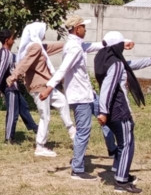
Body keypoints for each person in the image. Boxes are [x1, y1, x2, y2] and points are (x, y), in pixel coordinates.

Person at [96, 31, 151, 194]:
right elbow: (108, 88)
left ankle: (120, 171)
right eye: (121, 44)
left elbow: (130, 65)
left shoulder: (102, 59)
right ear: (117, 46)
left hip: (111, 110)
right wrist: (103, 111)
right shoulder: (117, 64)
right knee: (127, 144)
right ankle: (121, 182)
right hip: (118, 110)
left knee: (123, 142)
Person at [39, 15, 103, 180]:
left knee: (105, 118)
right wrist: (49, 88)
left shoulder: (77, 45)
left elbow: (95, 45)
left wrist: (119, 42)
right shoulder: (74, 48)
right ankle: (77, 169)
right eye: (83, 27)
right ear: (77, 29)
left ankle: (114, 151)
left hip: (87, 94)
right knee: (83, 132)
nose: (85, 30)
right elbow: (63, 69)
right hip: (80, 97)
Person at [6, 22, 75, 157]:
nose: (44, 34)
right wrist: (13, 76)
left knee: (62, 102)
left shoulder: (39, 47)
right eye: (43, 31)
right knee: (45, 116)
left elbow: (55, 47)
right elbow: (24, 63)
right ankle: (40, 146)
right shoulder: (35, 47)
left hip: (46, 85)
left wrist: (73, 43)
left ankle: (72, 132)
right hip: (39, 87)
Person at [0, 29, 38, 145]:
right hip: (10, 87)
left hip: (14, 87)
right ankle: (9, 138)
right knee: (12, 113)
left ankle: (36, 129)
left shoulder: (9, 54)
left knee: (23, 107)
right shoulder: (5, 53)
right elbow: (1, 70)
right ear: (7, 40)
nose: (14, 41)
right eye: (12, 38)